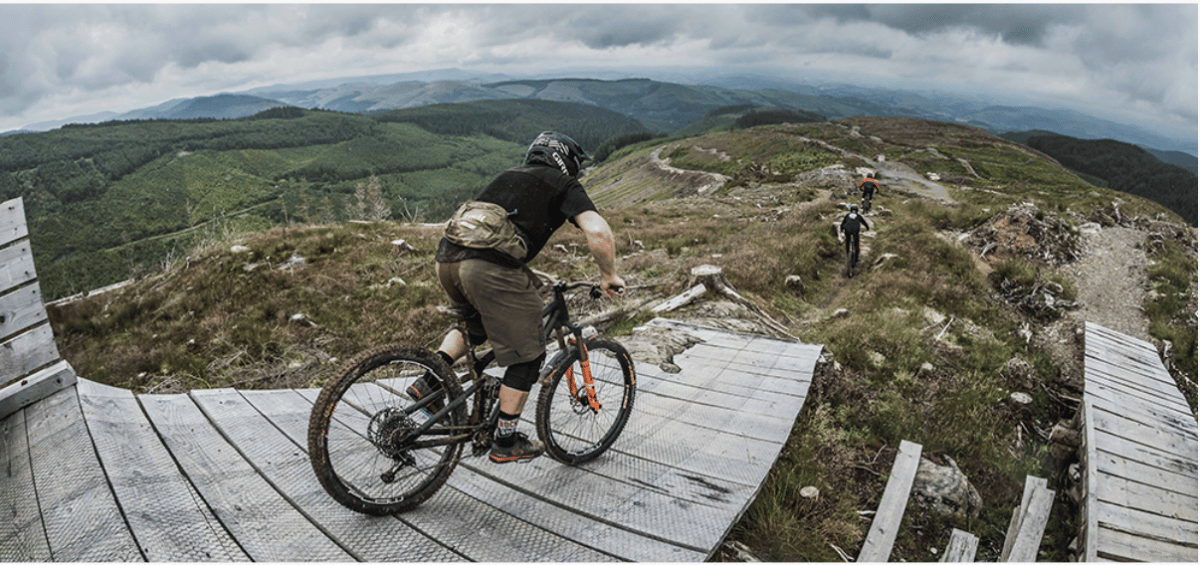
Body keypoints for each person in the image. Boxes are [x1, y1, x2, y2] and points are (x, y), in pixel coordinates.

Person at [413, 131, 625, 464]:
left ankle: (427, 382)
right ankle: (506, 439)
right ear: (565, 159)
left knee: (474, 322)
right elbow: (597, 231)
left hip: (448, 258)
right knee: (528, 354)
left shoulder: (509, 175)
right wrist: (608, 275)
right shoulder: (563, 183)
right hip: (488, 265)